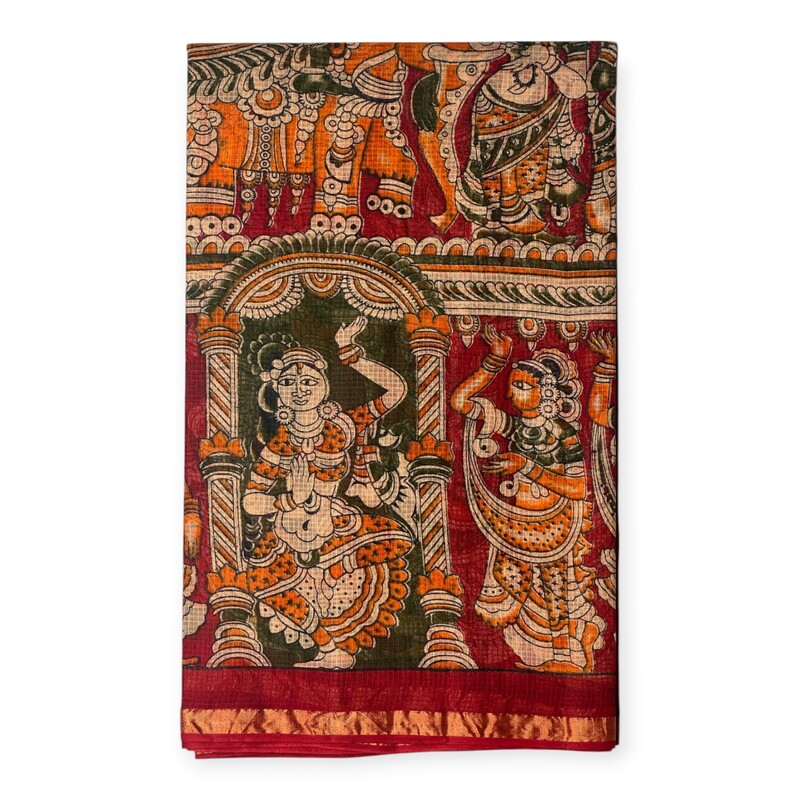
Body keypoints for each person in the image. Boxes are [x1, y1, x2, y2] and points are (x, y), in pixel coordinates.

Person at [242, 316, 414, 668]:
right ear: (278, 391)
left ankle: (334, 571)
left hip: (335, 522)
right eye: (288, 382)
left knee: (399, 539)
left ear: (325, 385)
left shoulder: (343, 426)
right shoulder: (280, 443)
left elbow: (396, 391)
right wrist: (287, 499)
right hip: (289, 527)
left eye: (308, 380)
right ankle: (326, 647)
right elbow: (250, 500)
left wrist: (350, 351)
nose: (299, 389)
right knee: (259, 581)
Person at [451, 324, 604, 672]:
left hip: (556, 520)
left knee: (554, 586)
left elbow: (578, 488)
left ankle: (565, 657)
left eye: (522, 386)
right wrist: (493, 362)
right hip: (521, 521)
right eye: (511, 386)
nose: (511, 393)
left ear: (545, 392)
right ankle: (567, 645)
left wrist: (527, 467)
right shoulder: (515, 426)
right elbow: (460, 402)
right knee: (517, 583)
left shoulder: (564, 434)